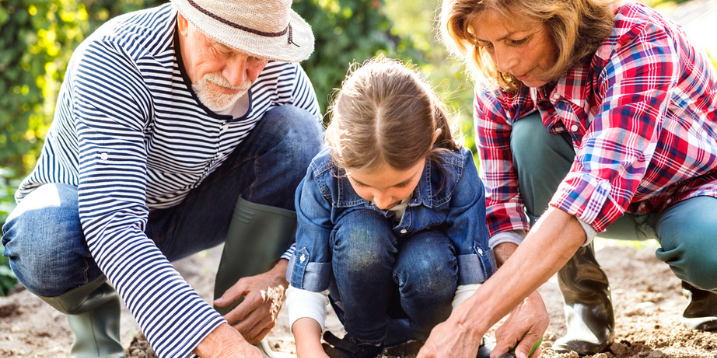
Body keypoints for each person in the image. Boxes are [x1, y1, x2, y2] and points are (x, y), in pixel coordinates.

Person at [1, 0, 323, 357]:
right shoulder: (117, 58)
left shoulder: (284, 77)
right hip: (91, 220)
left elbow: (324, 204)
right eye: (223, 49)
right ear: (185, 20)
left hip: (188, 212)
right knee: (43, 239)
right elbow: (112, 220)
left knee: (299, 135)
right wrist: (211, 340)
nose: (236, 78)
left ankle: (240, 328)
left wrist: (280, 275)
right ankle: (98, 345)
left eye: (255, 59)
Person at [417, 0, 717, 357]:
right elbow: (502, 207)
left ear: (562, 16)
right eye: (487, 44)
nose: (502, 62)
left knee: (706, 249)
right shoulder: (502, 75)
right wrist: (523, 298)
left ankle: (705, 288)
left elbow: (594, 187)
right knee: (528, 138)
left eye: (516, 40)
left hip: (692, 192)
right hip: (603, 208)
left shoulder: (639, 38)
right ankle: (583, 296)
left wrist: (467, 323)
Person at [284, 58, 497, 358]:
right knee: (360, 234)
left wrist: (463, 337)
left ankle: (430, 344)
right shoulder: (323, 177)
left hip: (437, 312)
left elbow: (472, 272)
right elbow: (308, 280)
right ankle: (365, 345)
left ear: (430, 144)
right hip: (362, 311)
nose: (383, 200)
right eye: (363, 184)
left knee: (427, 258)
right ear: (337, 152)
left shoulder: (457, 173)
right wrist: (309, 350)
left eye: (400, 184)